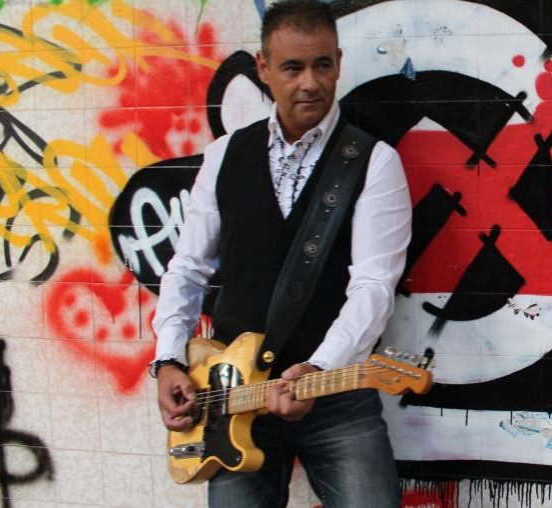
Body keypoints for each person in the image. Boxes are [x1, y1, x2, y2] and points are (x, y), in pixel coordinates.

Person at [148, 0, 411, 506]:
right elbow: (188, 267)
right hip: (229, 397)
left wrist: (319, 370)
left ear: (338, 62)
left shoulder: (374, 162)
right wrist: (168, 360)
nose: (309, 83)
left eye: (322, 65)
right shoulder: (224, 156)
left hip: (335, 397)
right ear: (263, 68)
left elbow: (374, 285)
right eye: (292, 68)